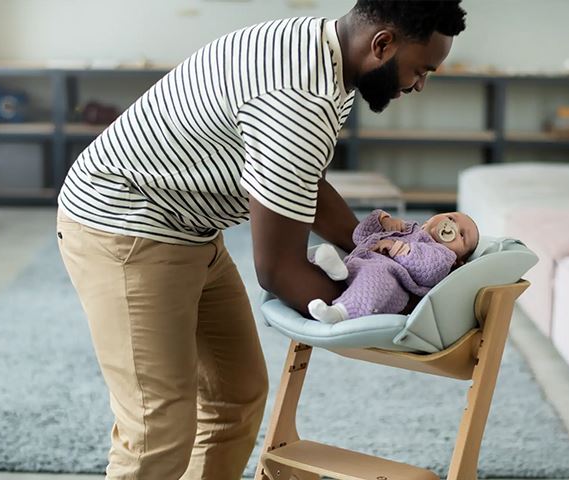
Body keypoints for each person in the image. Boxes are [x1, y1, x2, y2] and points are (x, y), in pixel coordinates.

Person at [55, 1, 467, 478]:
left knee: (237, 396)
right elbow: (278, 270)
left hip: (191, 229)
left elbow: (302, 181)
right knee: (157, 427)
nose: (419, 85)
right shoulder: (301, 96)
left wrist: (371, 245)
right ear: (382, 44)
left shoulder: (326, 52)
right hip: (125, 227)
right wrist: (382, 306)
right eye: (422, 70)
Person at [308, 209, 480, 323]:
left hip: (391, 282)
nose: (453, 228)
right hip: (360, 262)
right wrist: (384, 221)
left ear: (458, 260)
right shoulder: (407, 229)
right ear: (430, 219)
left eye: (462, 235)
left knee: (375, 277)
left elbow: (428, 270)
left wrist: (395, 247)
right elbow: (360, 236)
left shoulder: (444, 256)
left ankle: (340, 313)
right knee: (347, 263)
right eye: (451, 218)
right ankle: (334, 271)